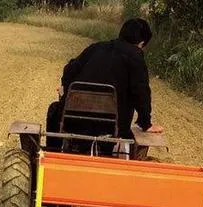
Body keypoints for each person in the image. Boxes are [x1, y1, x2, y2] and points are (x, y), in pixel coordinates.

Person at [46, 18, 163, 150]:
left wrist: (66, 88)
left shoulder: (96, 47)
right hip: (112, 125)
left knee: (54, 109)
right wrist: (146, 123)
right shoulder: (136, 56)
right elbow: (141, 92)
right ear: (141, 43)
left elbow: (69, 70)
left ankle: (52, 152)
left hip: (74, 121)